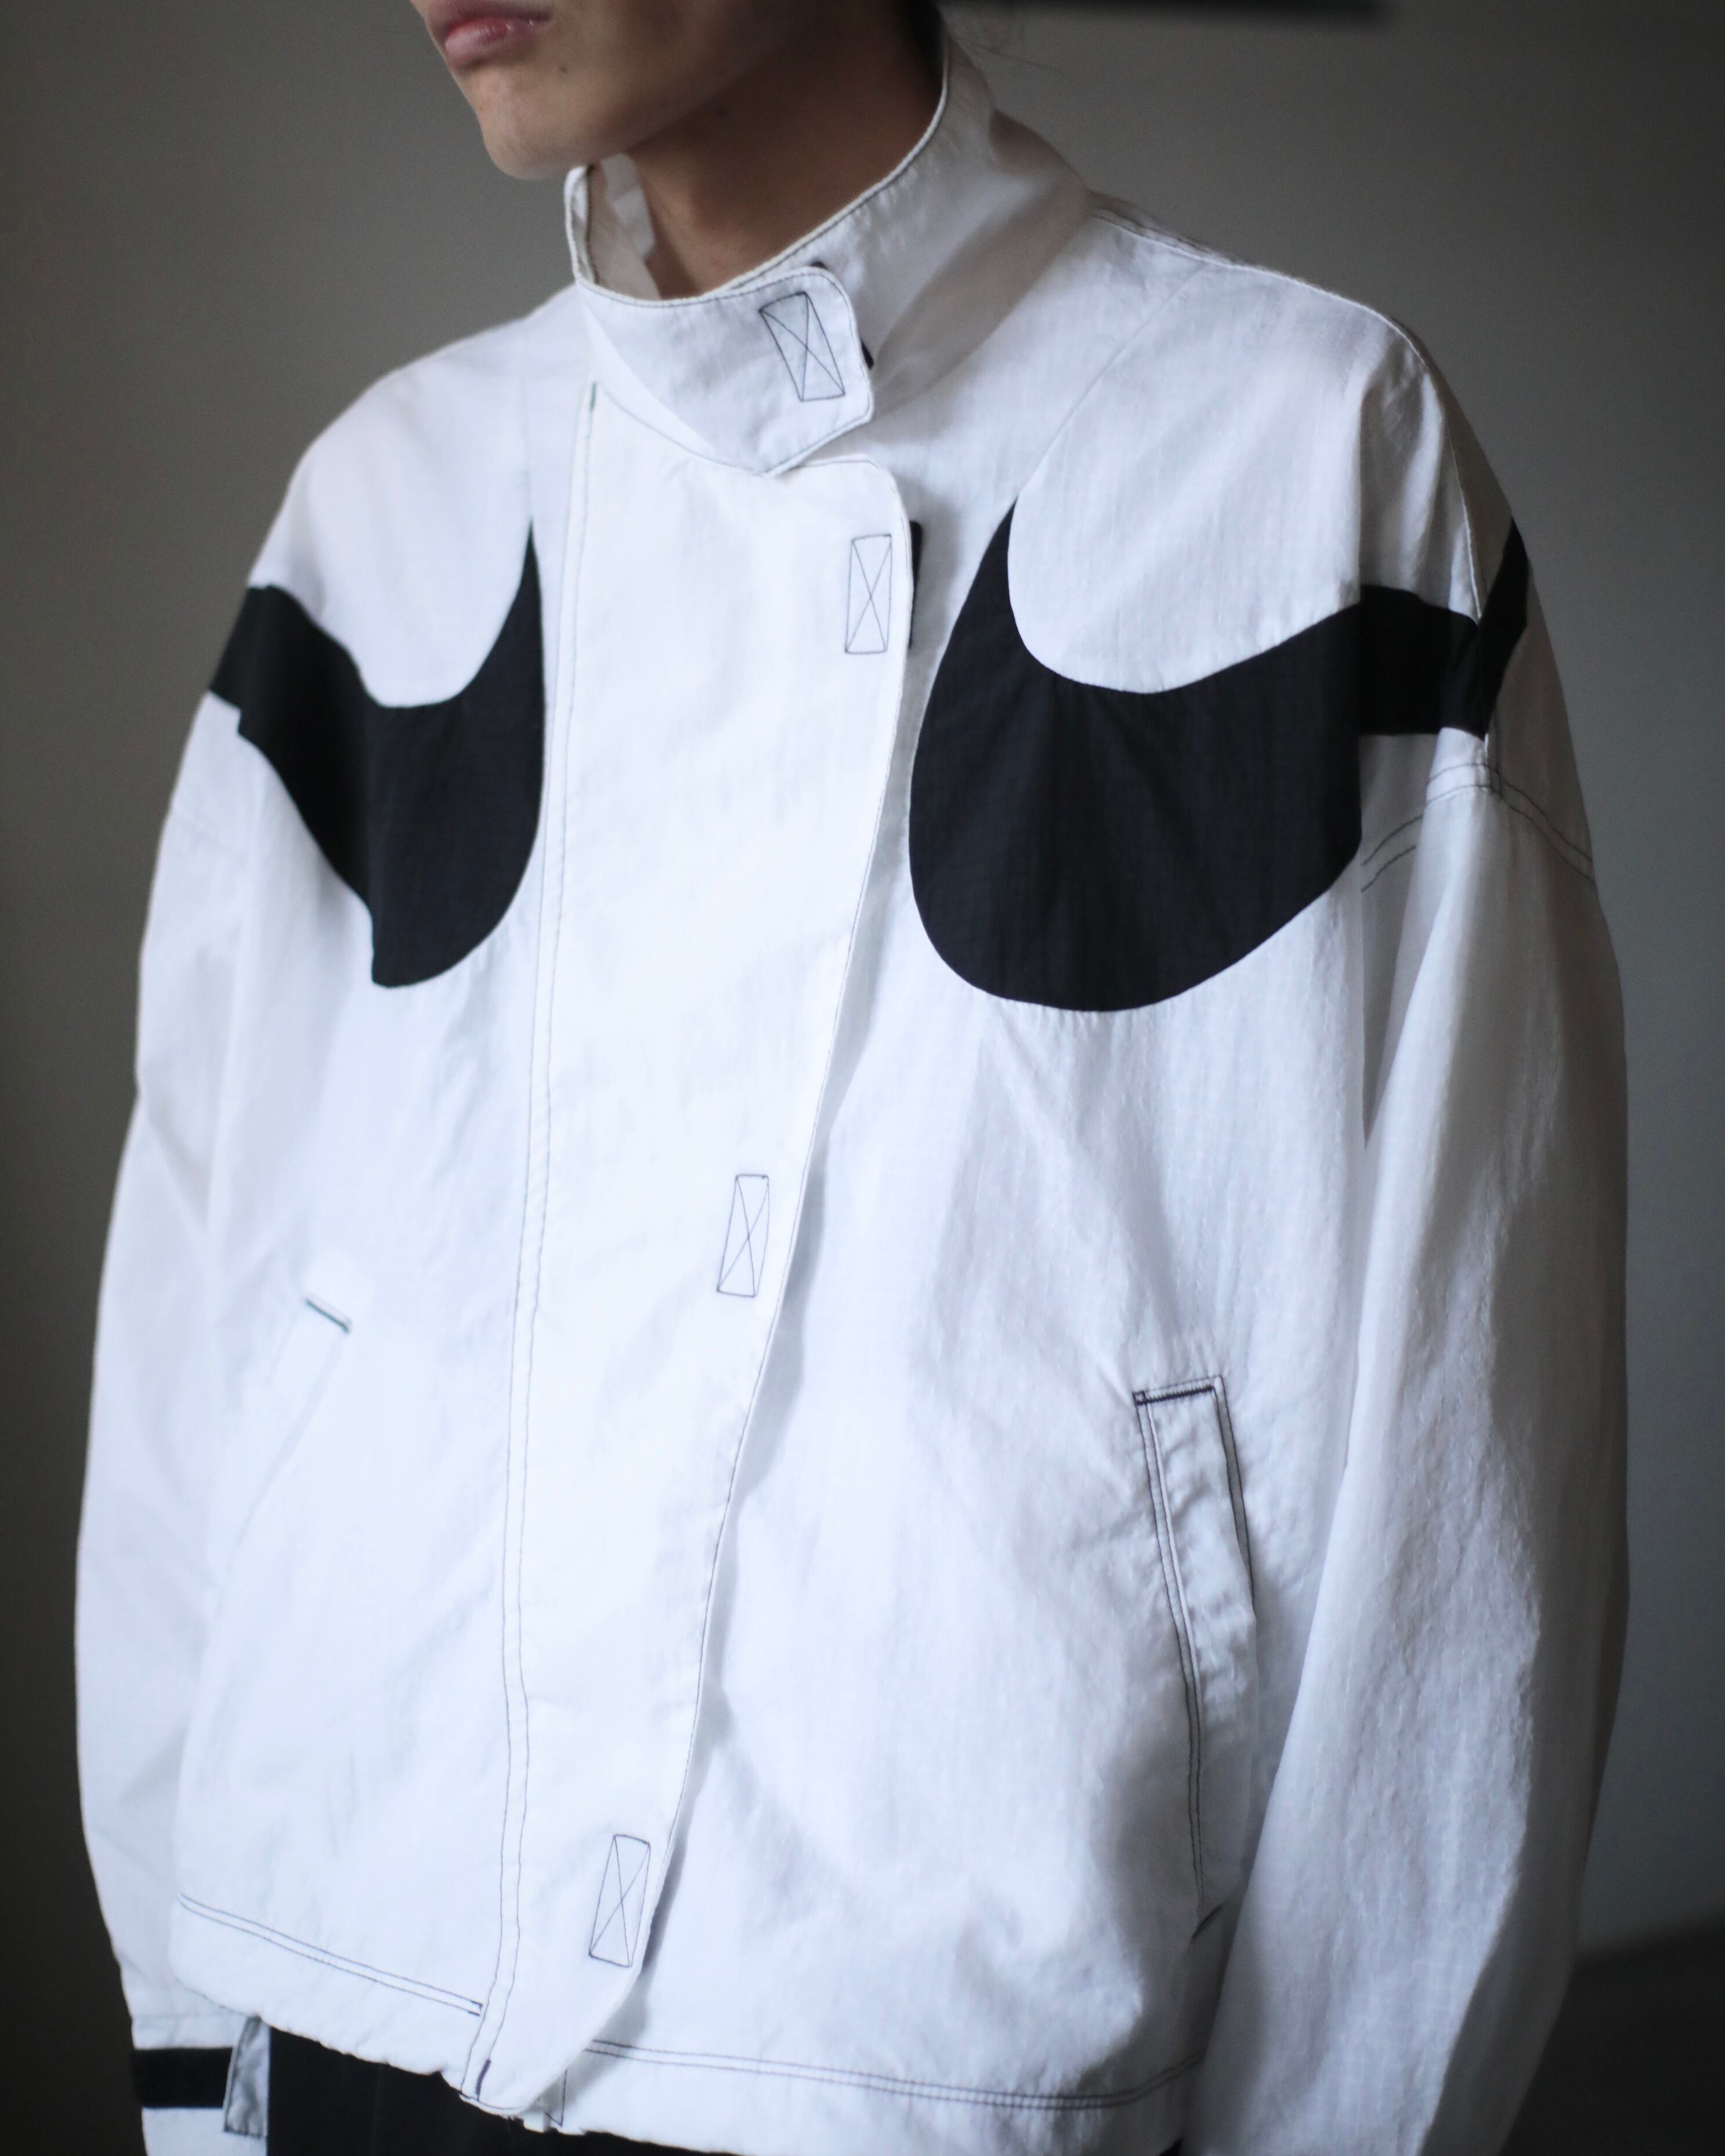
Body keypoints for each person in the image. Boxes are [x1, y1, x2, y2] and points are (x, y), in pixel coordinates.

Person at [75, 2, 1629, 2152]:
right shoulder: (382, 511)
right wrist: (194, 2046)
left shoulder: (1307, 457)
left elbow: (1468, 1493)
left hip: (950, 2060)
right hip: (339, 1977)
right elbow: (195, 1332)